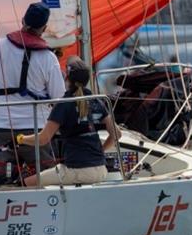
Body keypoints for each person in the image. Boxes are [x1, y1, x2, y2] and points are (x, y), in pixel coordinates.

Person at [0, 2, 65, 179]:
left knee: (2, 181)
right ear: (44, 28)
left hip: (2, 127)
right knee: (44, 179)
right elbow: (59, 97)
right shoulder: (48, 57)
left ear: (23, 20)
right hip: (36, 130)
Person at [18, 56, 120, 186]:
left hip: (76, 170)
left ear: (66, 78)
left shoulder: (64, 104)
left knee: (26, 183)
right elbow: (117, 134)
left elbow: (44, 138)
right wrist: (101, 151)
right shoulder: (97, 100)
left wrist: (21, 139)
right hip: (101, 169)